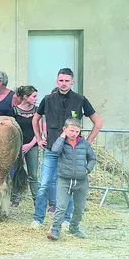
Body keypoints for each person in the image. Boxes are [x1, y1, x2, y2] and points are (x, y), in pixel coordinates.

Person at [31, 68, 102, 228]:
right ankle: (38, 218)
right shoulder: (48, 99)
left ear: (72, 82)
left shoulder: (80, 100)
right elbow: (35, 119)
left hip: (71, 151)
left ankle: (66, 220)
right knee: (44, 184)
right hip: (50, 149)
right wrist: (38, 137)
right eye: (61, 81)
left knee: (70, 185)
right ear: (57, 81)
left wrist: (88, 141)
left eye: (67, 81)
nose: (63, 84)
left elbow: (98, 122)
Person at [47, 118, 96, 241]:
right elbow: (55, 150)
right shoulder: (61, 142)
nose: (74, 134)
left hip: (81, 181)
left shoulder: (84, 143)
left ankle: (74, 228)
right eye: (71, 131)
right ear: (65, 129)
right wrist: (62, 137)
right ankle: (55, 230)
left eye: (77, 131)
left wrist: (86, 170)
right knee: (61, 206)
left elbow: (92, 158)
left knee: (79, 208)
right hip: (64, 180)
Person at [11, 85, 39, 207]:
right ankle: (15, 198)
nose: (36, 99)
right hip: (17, 146)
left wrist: (30, 144)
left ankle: (37, 199)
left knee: (33, 174)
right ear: (25, 97)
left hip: (33, 145)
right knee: (16, 171)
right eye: (34, 96)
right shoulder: (13, 111)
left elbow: (40, 130)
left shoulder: (38, 110)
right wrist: (18, 146)